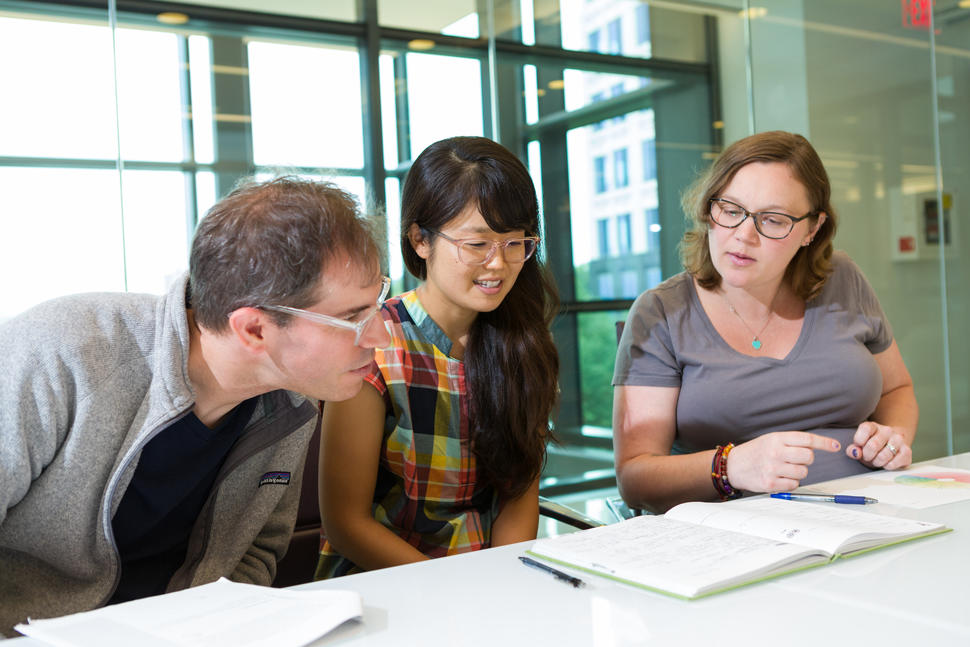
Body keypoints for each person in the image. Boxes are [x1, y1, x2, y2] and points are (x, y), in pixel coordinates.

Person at [0, 176, 391, 634]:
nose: (380, 336)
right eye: (352, 318)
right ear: (254, 330)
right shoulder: (59, 356)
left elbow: (256, 552)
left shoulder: (289, 403)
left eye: (378, 303)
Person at [612, 131, 918, 514]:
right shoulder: (662, 312)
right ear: (709, 209)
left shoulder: (842, 278)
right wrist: (730, 466)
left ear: (812, 229)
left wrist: (893, 437)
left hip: (871, 506)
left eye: (772, 220)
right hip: (737, 531)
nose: (743, 235)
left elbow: (897, 389)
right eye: (730, 210)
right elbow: (635, 479)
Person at [314, 136, 560, 579]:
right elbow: (346, 524)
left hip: (490, 582)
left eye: (514, 243)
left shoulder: (520, 341)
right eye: (477, 244)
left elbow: (519, 493)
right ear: (420, 240)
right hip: (385, 585)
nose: (498, 265)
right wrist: (456, 589)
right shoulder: (375, 345)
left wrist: (503, 582)